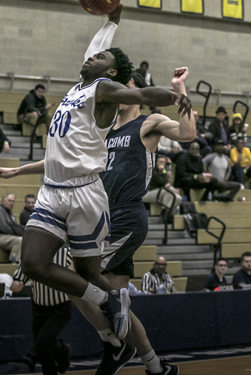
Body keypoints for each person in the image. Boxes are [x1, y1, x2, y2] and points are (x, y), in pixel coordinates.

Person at [0, 4, 193, 353]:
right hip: (75, 199)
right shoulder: (90, 104)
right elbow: (62, 158)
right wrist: (17, 170)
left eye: (102, 63)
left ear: (117, 80)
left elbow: (166, 116)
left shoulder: (129, 109)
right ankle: (125, 334)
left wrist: (178, 93)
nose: (89, 59)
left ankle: (121, 343)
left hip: (105, 205)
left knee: (84, 279)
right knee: (60, 276)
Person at [70, 68, 194, 375]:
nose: (118, 93)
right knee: (117, 304)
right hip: (101, 218)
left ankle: (114, 346)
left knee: (75, 282)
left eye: (124, 87)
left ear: (137, 91)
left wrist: (180, 88)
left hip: (125, 216)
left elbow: (187, 133)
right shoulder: (104, 130)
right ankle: (155, 367)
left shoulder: (148, 122)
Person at [10, 248, 73, 375]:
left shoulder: (66, 252)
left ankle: (64, 352)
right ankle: (61, 354)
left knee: (43, 342)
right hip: (38, 305)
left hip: (61, 306)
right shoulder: (31, 250)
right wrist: (17, 282)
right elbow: (22, 271)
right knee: (43, 351)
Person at [0, 194, 24, 261]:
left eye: (13, 201)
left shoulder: (10, 213)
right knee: (20, 240)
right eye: (9, 201)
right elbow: (4, 228)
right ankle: (14, 262)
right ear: (3, 201)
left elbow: (15, 226)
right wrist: (16, 232)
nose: (11, 203)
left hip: (7, 237)